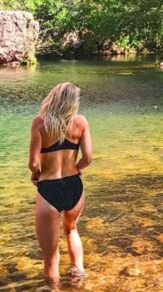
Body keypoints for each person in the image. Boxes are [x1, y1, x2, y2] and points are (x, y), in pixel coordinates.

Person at [28, 82, 92, 282]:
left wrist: (36, 174)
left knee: (50, 257)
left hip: (50, 188)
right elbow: (88, 158)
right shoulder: (81, 122)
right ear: (73, 103)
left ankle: (54, 288)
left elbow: (33, 162)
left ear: (53, 98)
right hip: (74, 186)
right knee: (71, 229)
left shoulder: (40, 123)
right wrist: (77, 168)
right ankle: (78, 277)